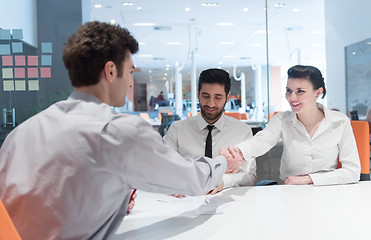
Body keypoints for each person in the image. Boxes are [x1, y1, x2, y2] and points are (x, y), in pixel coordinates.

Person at [0, 21, 241, 240]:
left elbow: (45, 200)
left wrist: (108, 201)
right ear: (111, 71)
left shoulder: (22, 133)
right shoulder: (120, 132)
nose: (130, 83)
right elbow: (193, 180)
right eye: (130, 72)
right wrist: (223, 161)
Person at [228, 65, 360, 186]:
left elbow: (352, 171)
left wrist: (308, 179)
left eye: (300, 91)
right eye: (288, 90)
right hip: (290, 189)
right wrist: (238, 151)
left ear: (318, 92)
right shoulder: (282, 119)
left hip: (327, 189)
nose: (292, 98)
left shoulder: (340, 122)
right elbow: (262, 141)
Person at [164, 68, 256, 195]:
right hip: (184, 200)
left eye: (218, 97)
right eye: (205, 96)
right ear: (198, 93)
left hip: (228, 203)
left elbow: (250, 177)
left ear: (227, 97)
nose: (211, 104)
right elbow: (164, 169)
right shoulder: (177, 129)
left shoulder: (242, 131)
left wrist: (222, 181)